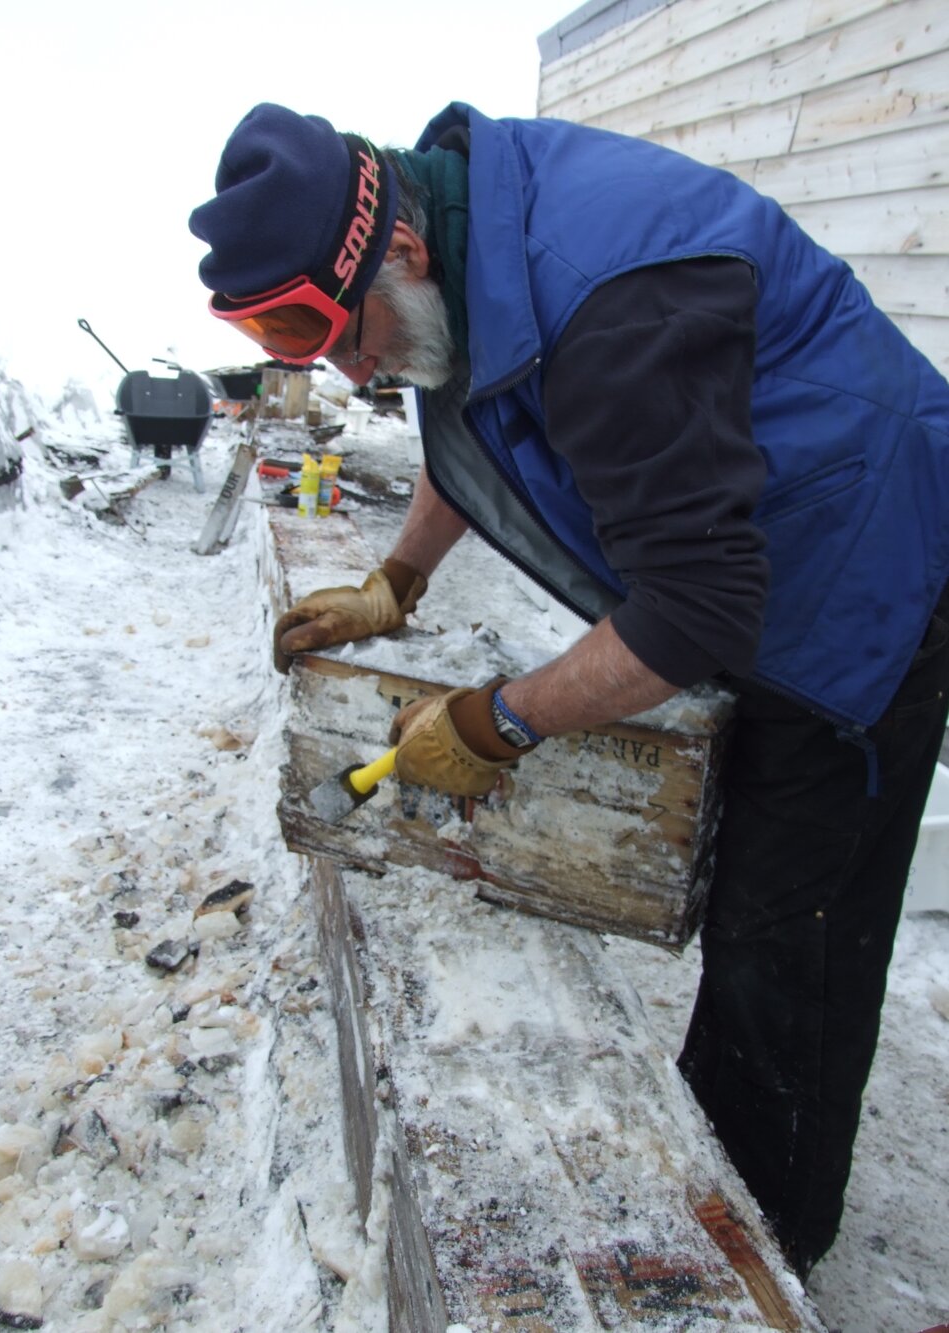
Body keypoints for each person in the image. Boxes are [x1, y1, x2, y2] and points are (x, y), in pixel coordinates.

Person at [189, 102, 949, 1279]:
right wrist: (397, 578)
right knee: (748, 883)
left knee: (786, 938)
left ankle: (753, 1262)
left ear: (396, 249)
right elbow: (470, 409)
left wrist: (498, 722)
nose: (355, 371)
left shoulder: (610, 296)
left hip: (869, 571)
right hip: (766, 550)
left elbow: (694, 611)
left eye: (350, 338)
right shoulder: (455, 222)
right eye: (324, 355)